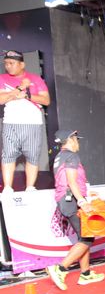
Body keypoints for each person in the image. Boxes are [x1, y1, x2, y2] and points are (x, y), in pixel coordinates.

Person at [46, 130, 105, 290]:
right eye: (76, 139)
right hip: (71, 200)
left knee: (84, 236)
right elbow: (72, 182)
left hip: (65, 200)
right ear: (70, 140)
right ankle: (60, 269)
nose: (78, 142)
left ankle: (86, 274)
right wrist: (82, 201)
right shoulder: (71, 156)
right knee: (87, 238)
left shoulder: (60, 156)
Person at [0, 50, 51, 193]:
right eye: (6, 63)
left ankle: (30, 188)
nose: (8, 66)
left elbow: (46, 100)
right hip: (11, 123)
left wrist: (27, 95)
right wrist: (20, 88)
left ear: (22, 64)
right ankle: (8, 188)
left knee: (32, 156)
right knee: (8, 155)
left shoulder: (36, 79)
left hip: (33, 123)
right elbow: (1, 99)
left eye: (12, 63)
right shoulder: (2, 78)